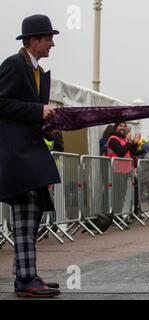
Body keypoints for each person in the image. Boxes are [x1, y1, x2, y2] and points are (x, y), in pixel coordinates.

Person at [0, 14, 61, 298]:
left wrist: (47, 125)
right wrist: (37, 111)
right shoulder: (14, 64)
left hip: (30, 151)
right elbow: (2, 102)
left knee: (32, 212)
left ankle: (25, 273)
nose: (51, 44)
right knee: (25, 212)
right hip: (17, 154)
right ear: (33, 41)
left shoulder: (35, 70)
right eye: (48, 38)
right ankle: (25, 279)